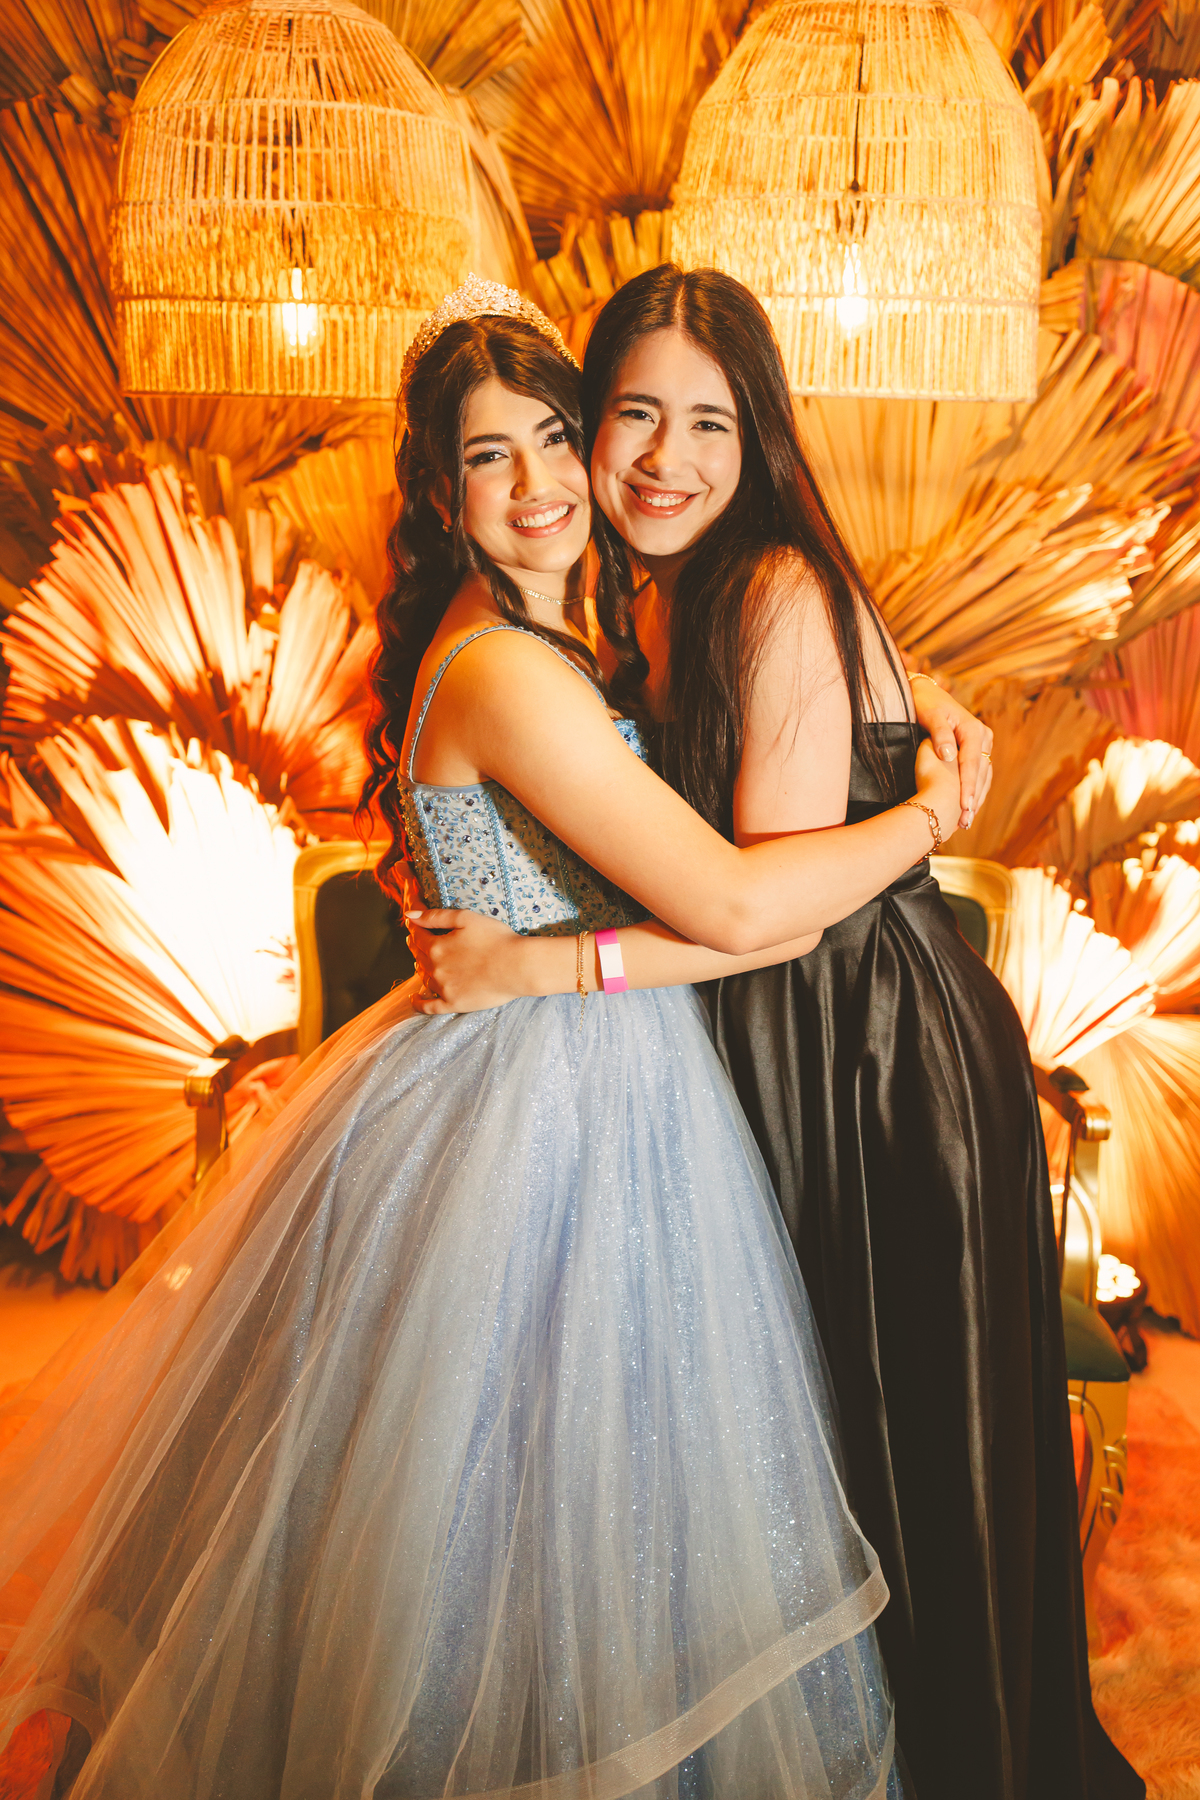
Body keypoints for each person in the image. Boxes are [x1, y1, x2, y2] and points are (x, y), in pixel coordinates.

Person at [0, 279, 967, 1799]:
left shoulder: (557, 628)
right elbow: (734, 905)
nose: (537, 485)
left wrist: (913, 696)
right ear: (443, 496)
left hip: (572, 1062)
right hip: (540, 1102)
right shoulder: (513, 669)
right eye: (487, 456)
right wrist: (924, 817)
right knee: (519, 1516)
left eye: (556, 439)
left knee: (575, 1507)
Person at [404, 267, 1144, 1800]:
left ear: (761, 439)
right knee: (776, 1463)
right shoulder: (619, 608)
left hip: (872, 1052)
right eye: (628, 417)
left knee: (905, 1447)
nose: (654, 459)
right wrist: (913, 743)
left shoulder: (744, 587)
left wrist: (930, 785)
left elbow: (760, 905)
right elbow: (739, 841)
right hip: (747, 1034)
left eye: (707, 424)